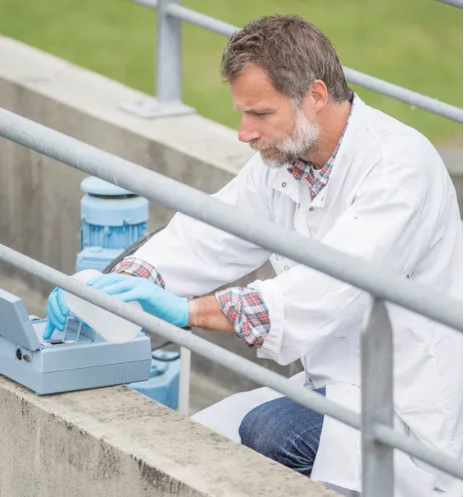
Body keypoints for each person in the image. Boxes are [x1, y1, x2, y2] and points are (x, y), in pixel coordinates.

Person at [44, 15, 462, 497]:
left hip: (409, 409)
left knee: (269, 434)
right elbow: (209, 233)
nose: (244, 132)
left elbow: (325, 291)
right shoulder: (289, 157)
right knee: (191, 443)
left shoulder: (399, 170)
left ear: (316, 96)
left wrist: (189, 311)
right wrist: (109, 287)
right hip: (335, 385)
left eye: (259, 114)